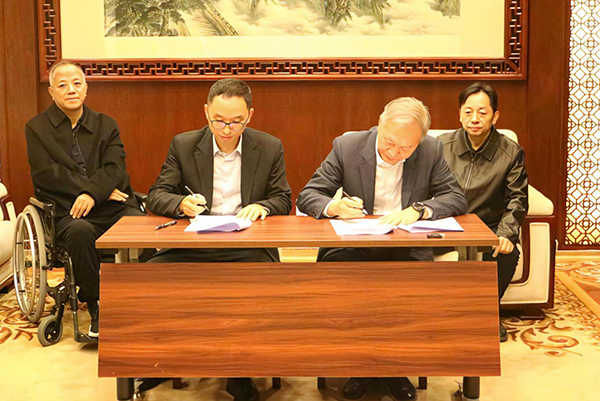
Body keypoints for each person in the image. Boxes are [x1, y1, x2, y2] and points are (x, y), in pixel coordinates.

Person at [297, 97, 467, 401]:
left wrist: (419, 210)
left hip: (405, 245)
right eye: (389, 142)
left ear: (420, 141)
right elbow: (309, 195)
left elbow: (455, 197)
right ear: (379, 124)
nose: (393, 152)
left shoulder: (431, 150)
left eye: (405, 148)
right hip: (354, 244)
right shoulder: (347, 146)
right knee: (345, 286)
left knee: (407, 293)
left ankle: (394, 368)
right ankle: (360, 367)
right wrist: (335, 207)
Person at [146, 78, 292, 401]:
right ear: (206, 113)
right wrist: (181, 204)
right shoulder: (184, 145)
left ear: (250, 116)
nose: (226, 129)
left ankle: (238, 372)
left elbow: (283, 198)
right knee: (147, 278)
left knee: (255, 288)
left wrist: (263, 206)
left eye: (236, 121)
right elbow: (156, 194)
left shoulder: (269, 146)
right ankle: (160, 358)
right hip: (194, 244)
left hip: (246, 246)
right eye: (218, 121)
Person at [25, 61, 143, 338]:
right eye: (62, 85)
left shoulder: (106, 124)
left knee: (142, 226)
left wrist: (93, 194)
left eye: (77, 83)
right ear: (51, 92)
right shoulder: (36, 128)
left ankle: (142, 298)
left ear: (86, 88)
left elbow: (115, 167)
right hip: (69, 210)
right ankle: (96, 303)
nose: (71, 90)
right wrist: (92, 190)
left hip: (113, 205)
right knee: (80, 233)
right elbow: (46, 174)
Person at [439, 83, 528, 343]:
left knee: (507, 253)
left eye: (482, 112)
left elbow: (517, 199)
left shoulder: (510, 152)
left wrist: (506, 234)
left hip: (487, 225)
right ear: (460, 114)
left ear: (495, 116)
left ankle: (488, 313)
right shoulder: (440, 146)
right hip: (444, 222)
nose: (474, 119)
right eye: (468, 112)